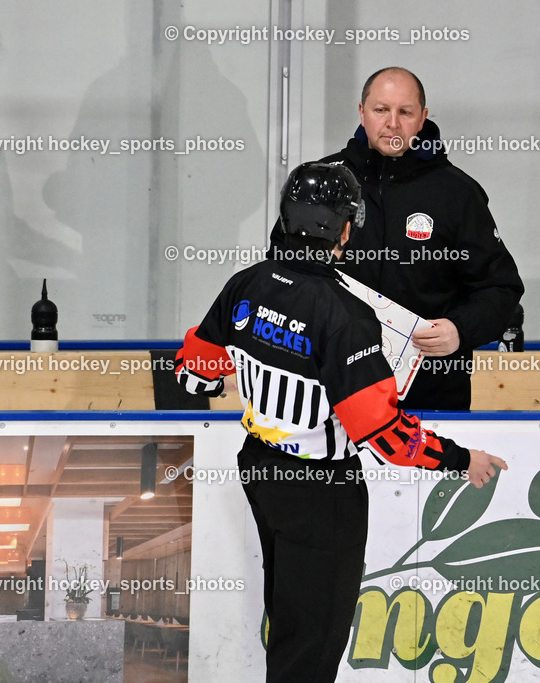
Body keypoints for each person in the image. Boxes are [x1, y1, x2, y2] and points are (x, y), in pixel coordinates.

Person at [176, 162, 507, 682]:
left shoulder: (246, 283)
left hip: (261, 468)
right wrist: (462, 459)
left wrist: (255, 361)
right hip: (321, 490)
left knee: (290, 618)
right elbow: (386, 437)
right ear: (345, 230)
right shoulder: (345, 315)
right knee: (314, 636)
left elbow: (195, 373)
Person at [271, 66, 524, 410]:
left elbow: (500, 288)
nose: (392, 123)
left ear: (422, 119)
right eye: (381, 110)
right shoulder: (323, 185)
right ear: (362, 112)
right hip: (327, 391)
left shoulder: (457, 193)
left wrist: (460, 330)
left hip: (430, 396)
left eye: (405, 112)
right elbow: (279, 273)